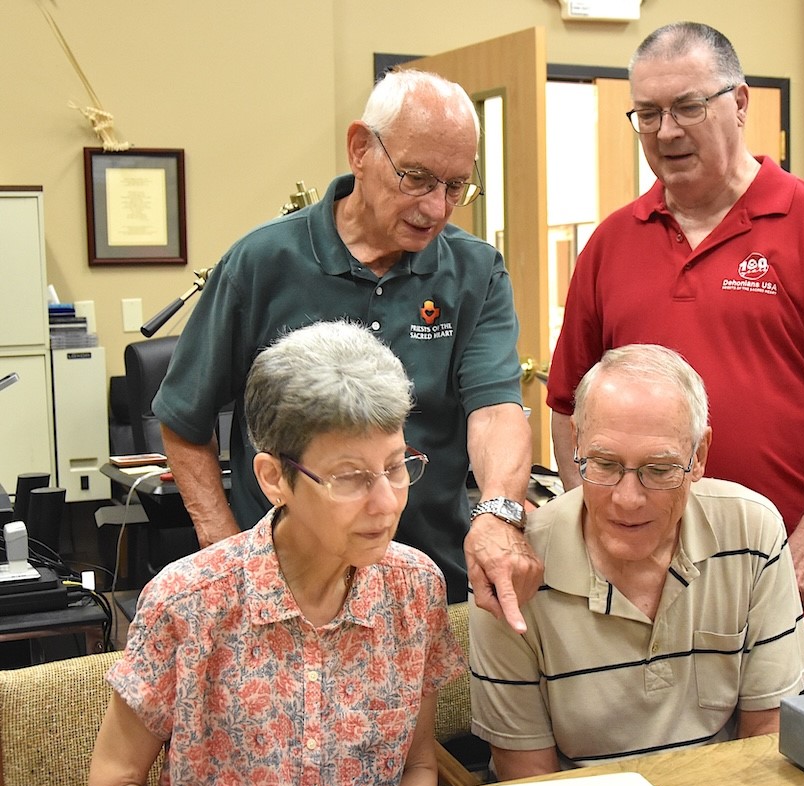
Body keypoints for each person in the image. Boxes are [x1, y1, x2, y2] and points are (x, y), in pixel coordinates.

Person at [545, 22, 804, 692]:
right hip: (645, 587)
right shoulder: (609, 244)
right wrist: (591, 526)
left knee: (796, 776)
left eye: (688, 107)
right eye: (647, 113)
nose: (665, 131)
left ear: (739, 103)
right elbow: (567, 404)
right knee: (663, 775)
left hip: (792, 575)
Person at [152, 69, 539, 630]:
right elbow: (183, 418)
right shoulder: (263, 263)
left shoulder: (475, 272)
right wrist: (224, 551)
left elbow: (495, 408)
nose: (436, 208)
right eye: (417, 178)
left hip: (431, 581)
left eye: (456, 186)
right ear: (361, 149)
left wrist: (498, 511)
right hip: (286, 594)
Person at [88, 321, 466, 786]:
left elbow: (418, 767)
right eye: (350, 477)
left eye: (396, 467)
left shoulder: (416, 590)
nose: (386, 504)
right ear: (273, 479)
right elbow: (114, 782)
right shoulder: (189, 602)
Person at [470, 345, 804, 778]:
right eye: (605, 463)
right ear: (576, 442)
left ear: (700, 456)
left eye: (659, 469)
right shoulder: (514, 569)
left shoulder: (753, 533)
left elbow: (766, 737)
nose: (628, 499)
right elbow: (528, 779)